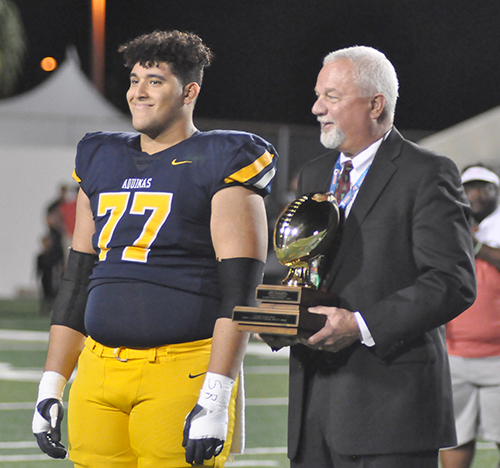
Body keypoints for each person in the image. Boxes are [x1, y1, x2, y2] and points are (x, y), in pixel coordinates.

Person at [32, 30, 277, 468]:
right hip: (98, 368)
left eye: (155, 81)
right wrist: (51, 384)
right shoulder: (101, 156)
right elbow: (78, 279)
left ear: (190, 91)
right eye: (133, 79)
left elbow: (239, 293)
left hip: (181, 367)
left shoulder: (223, 156)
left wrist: (217, 397)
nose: (137, 92)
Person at [261, 46, 476, 468]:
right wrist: (282, 311)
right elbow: (311, 267)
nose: (317, 107)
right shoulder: (315, 173)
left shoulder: (428, 172)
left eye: (332, 96)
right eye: (319, 94)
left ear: (376, 103)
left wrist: (361, 326)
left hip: (389, 407)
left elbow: (452, 281)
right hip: (312, 405)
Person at [440, 165, 500, 468]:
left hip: (498, 356)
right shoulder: (448, 227)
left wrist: (474, 245)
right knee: (454, 436)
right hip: (454, 354)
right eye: (469, 187)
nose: (475, 195)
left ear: (497, 192)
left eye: (483, 187)